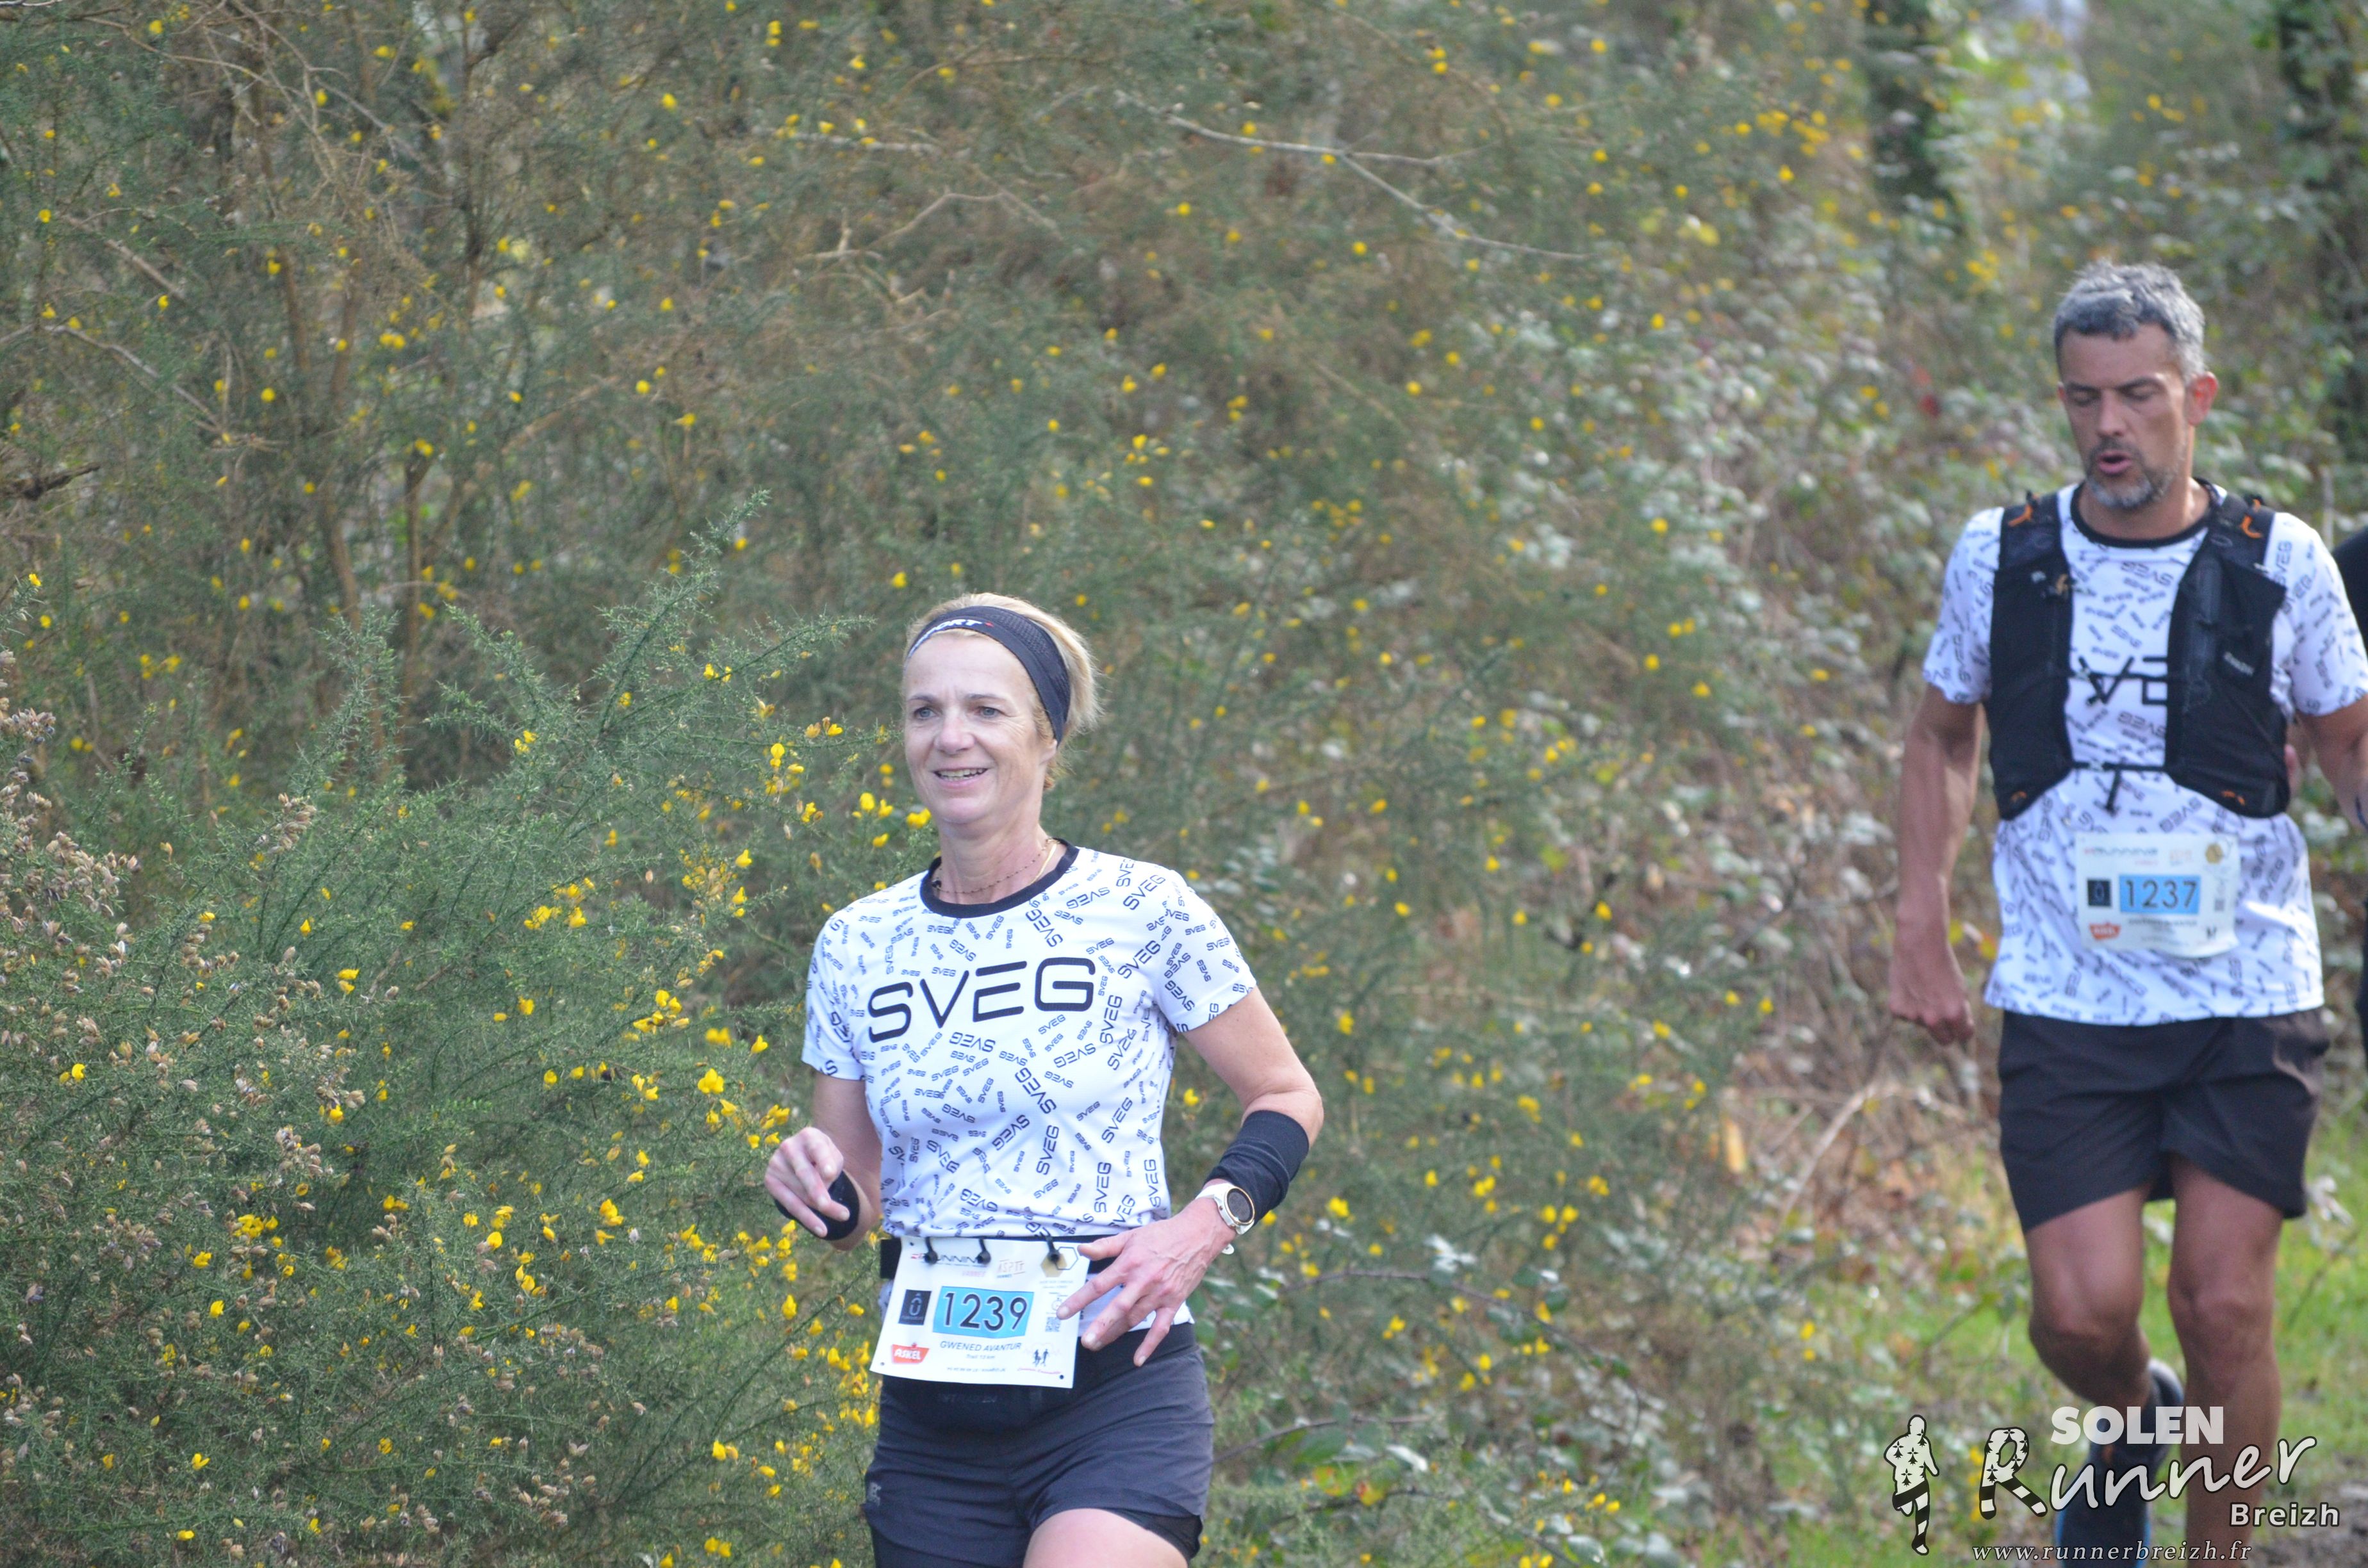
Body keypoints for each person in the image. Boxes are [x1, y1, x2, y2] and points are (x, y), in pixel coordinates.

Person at [1889, 261, 2368, 1564]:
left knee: (2224, 1307)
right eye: (2084, 399)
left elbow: (2346, 741)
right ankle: (2135, 1417)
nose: (2110, 425)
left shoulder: (2281, 561)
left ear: (2195, 398)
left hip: (2245, 989)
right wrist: (1920, 926)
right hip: (2067, 991)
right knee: (2079, 1316)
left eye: (2139, 396)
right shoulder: (2003, 556)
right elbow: (1941, 736)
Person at [762, 592, 1325, 1568]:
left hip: (1115, 1389)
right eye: (925, 711)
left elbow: (1287, 1095)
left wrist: (1202, 1227)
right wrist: (811, 1185)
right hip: (933, 1420)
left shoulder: (1142, 907)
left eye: (986, 710)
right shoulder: (857, 941)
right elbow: (857, 1200)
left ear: (1047, 736)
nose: (951, 737)